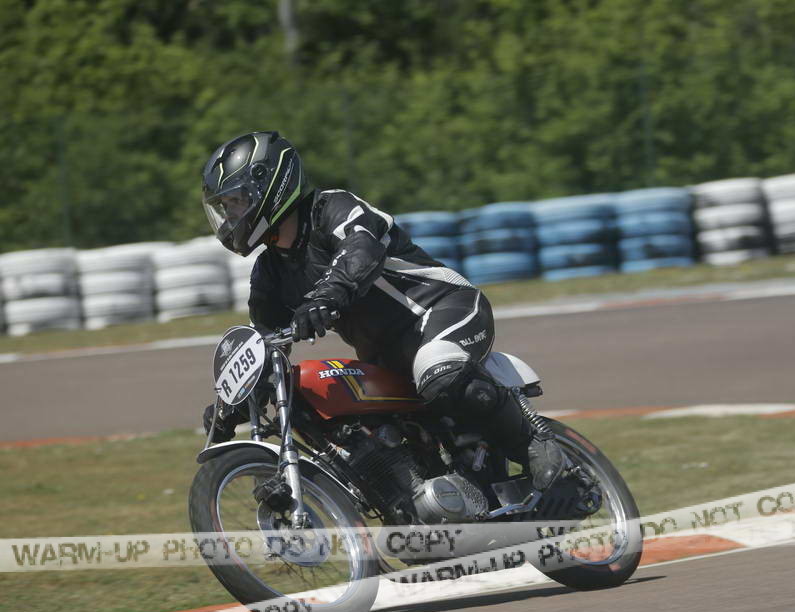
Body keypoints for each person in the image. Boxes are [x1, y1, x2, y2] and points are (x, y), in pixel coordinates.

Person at [200, 130, 566, 491]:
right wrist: (232, 403)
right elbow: (265, 341)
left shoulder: (333, 208)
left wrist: (325, 297)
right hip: (385, 356)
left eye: (235, 202)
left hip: (441, 309)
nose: (230, 216)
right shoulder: (270, 271)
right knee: (354, 422)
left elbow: (361, 251)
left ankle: (531, 441)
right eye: (225, 207)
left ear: (269, 185)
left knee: (438, 372)